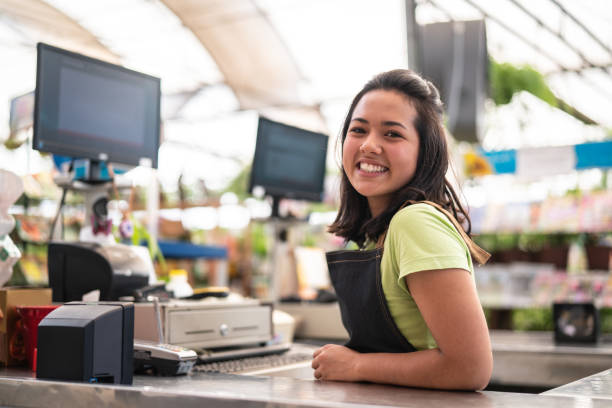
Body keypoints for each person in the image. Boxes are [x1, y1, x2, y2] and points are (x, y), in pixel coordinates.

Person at [311, 69, 492, 390]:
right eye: (358, 130)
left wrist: (355, 364)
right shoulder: (378, 233)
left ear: (425, 151)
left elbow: (470, 367)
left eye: (392, 134)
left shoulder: (415, 222)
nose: (369, 145)